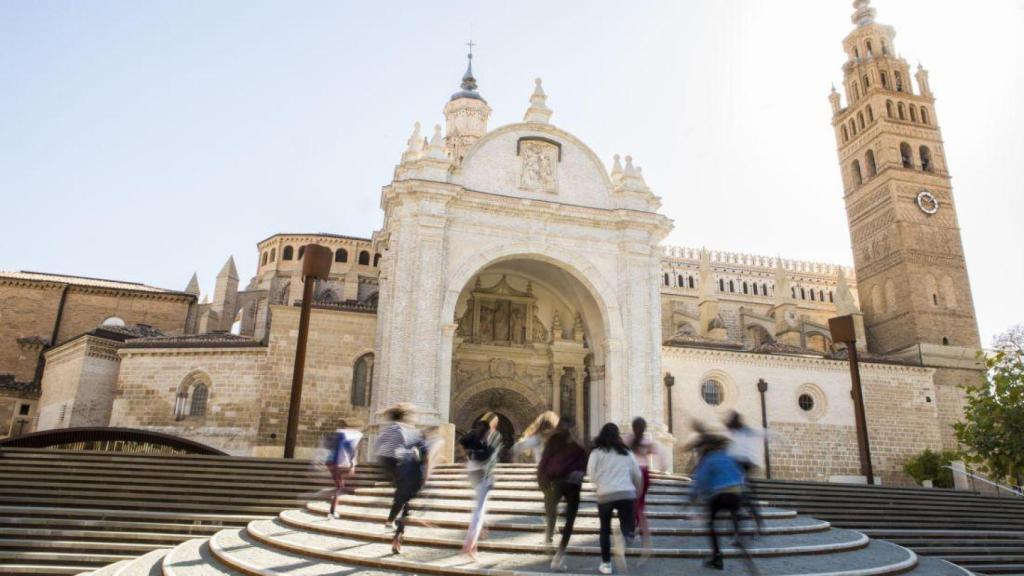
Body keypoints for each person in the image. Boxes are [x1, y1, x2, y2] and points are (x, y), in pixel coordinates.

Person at [689, 432, 757, 572]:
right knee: (733, 513)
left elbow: (700, 480)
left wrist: (692, 497)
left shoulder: (710, 458)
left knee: (712, 524)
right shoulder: (731, 457)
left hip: (720, 495)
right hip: (736, 494)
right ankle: (738, 536)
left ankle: (717, 557)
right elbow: (741, 474)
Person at [587, 423, 642, 575]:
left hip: (605, 494)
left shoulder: (596, 453)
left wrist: (599, 484)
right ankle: (624, 539)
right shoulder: (627, 452)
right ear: (618, 436)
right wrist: (637, 491)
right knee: (628, 526)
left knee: (604, 529)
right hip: (626, 493)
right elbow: (637, 474)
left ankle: (606, 565)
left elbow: (591, 473)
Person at [539, 419, 587, 572]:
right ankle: (559, 556)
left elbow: (544, 462)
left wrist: (543, 482)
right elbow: (583, 466)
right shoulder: (578, 447)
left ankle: (549, 535)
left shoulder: (553, 442)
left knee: (552, 509)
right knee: (569, 522)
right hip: (572, 486)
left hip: (557, 483)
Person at [458, 412, 503, 559]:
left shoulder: (471, 434)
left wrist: (466, 457)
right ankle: (469, 545)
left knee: (480, 509)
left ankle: (474, 546)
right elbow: (489, 459)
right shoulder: (491, 439)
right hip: (483, 475)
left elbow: (461, 442)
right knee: (479, 511)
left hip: (472, 473)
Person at [622, 417, 667, 546]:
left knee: (631, 502)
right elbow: (661, 453)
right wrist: (663, 468)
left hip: (630, 473)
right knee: (640, 503)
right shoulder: (647, 441)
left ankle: (632, 530)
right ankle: (641, 531)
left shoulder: (627, 440)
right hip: (643, 473)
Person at [724, 411, 767, 534]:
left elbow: (763, 432)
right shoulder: (739, 433)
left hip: (744, 465)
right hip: (742, 465)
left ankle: (755, 521)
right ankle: (752, 521)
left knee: (741, 495)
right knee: (739, 495)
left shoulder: (744, 432)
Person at [325, 427, 363, 520]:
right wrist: (352, 466)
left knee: (339, 486)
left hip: (330, 462)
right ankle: (332, 512)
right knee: (339, 487)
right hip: (337, 464)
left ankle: (332, 510)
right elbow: (350, 454)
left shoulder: (339, 438)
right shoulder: (349, 441)